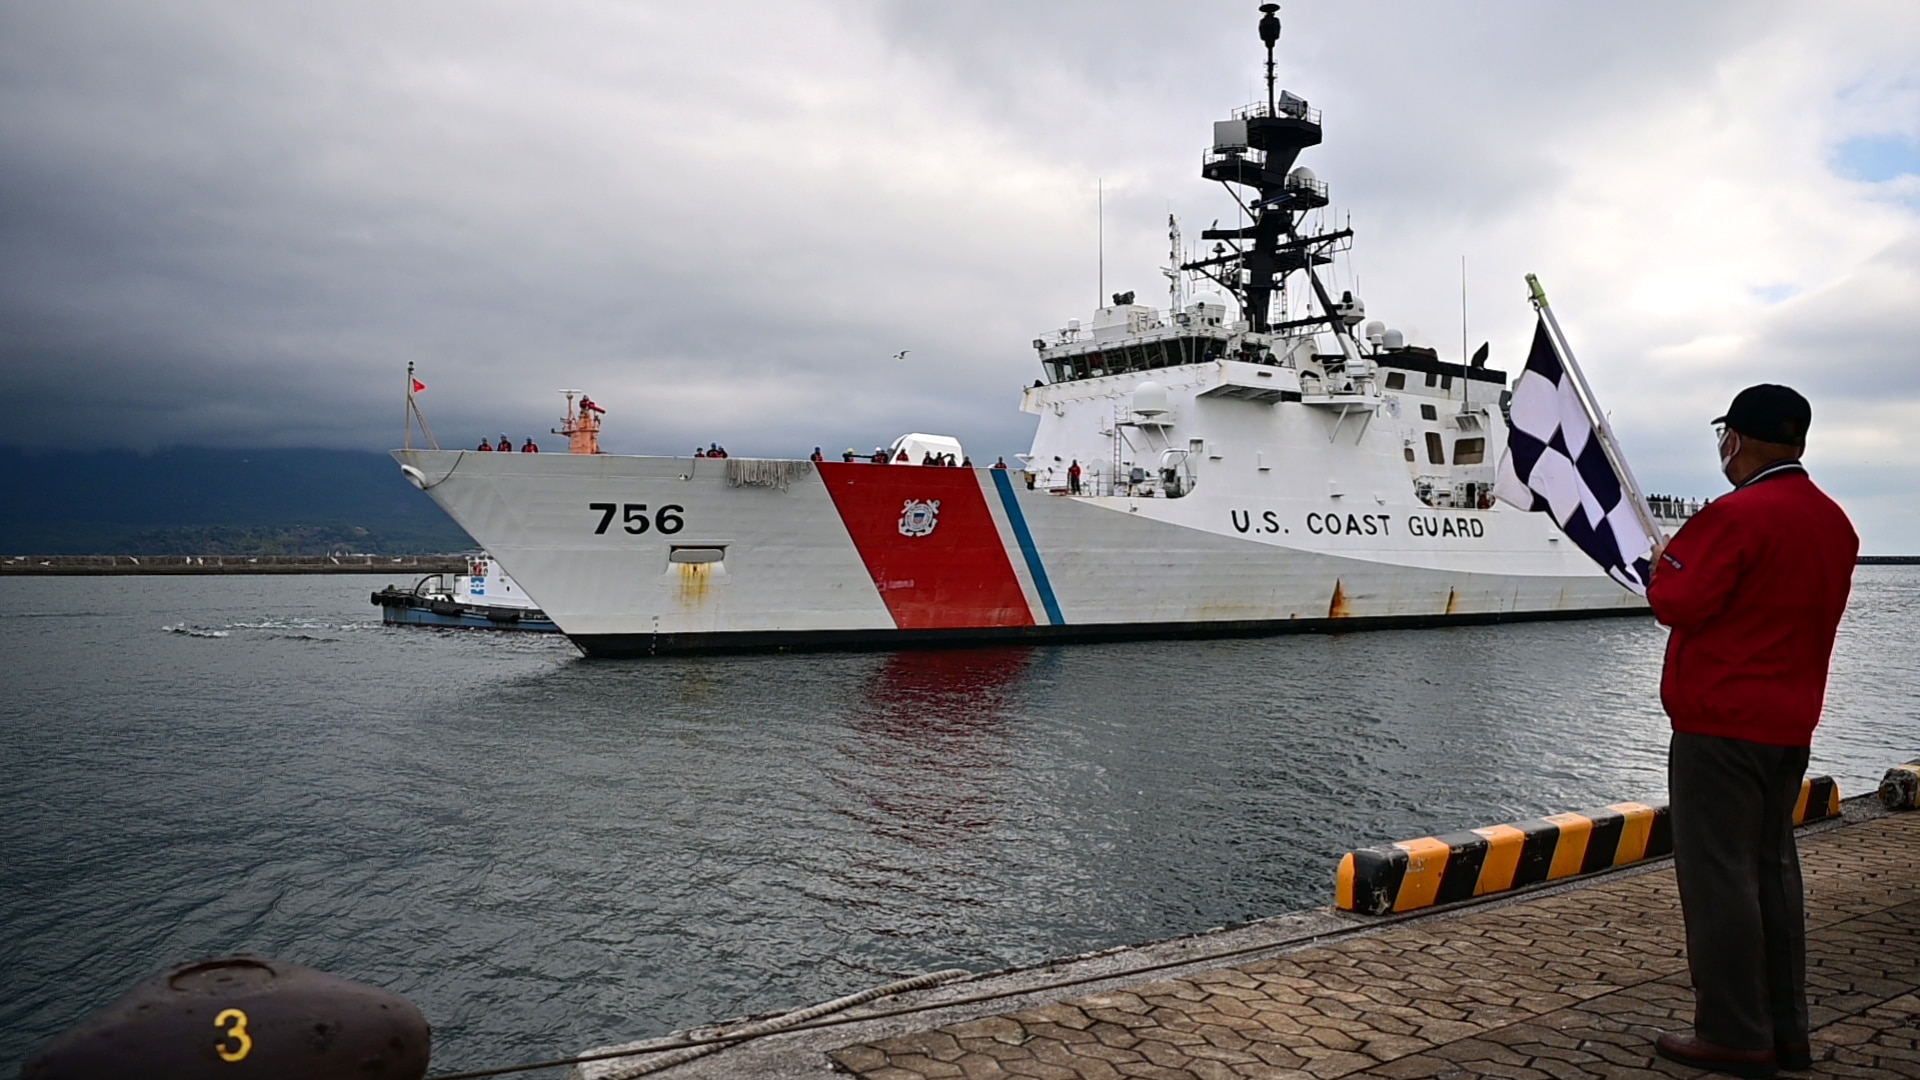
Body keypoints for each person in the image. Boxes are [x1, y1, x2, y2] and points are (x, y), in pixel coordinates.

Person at [1647, 384, 1856, 1078]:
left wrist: (1665, 560)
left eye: (1724, 436)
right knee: (1772, 872)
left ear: (1735, 438)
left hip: (1719, 723)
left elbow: (1675, 600)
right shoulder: (1834, 521)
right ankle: (1785, 1031)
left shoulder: (1736, 517)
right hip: (1789, 724)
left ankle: (1734, 1034)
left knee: (1719, 879)